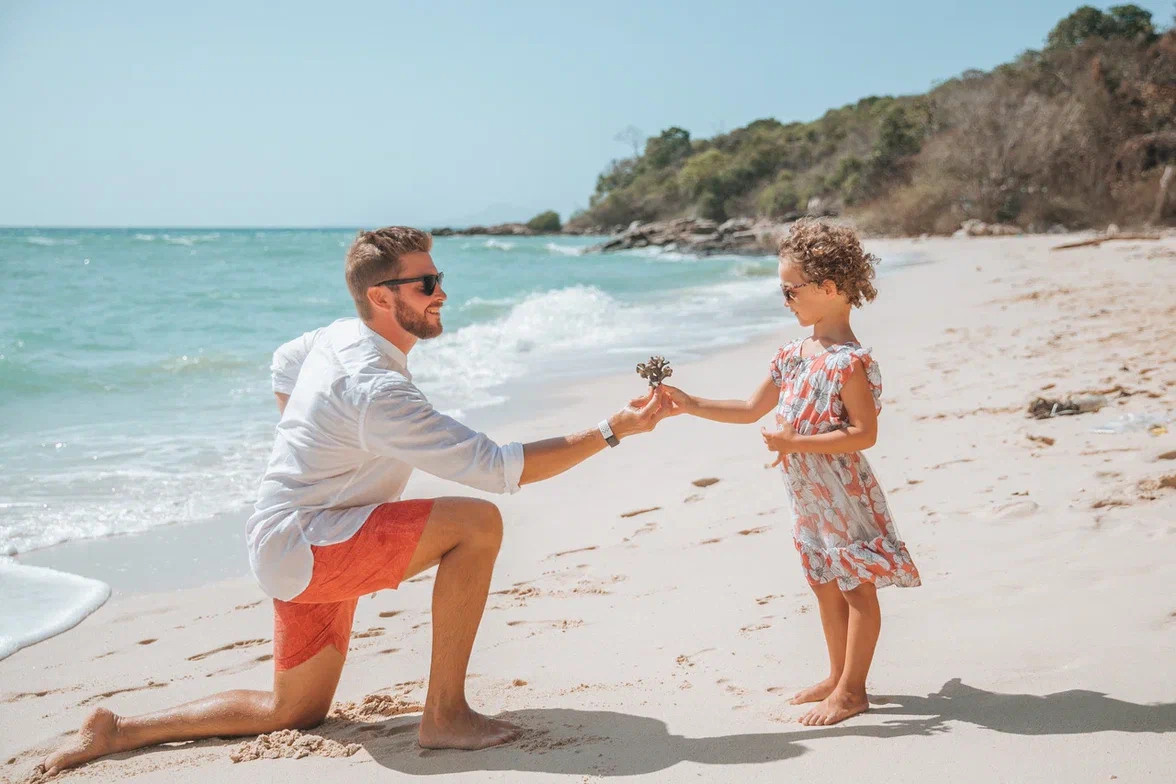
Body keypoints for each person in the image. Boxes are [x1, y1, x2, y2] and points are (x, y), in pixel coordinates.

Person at [38, 226, 672, 777]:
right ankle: (445, 715)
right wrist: (613, 430)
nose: (442, 292)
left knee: (294, 711)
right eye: (426, 283)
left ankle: (118, 730)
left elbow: (283, 365)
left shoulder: (340, 336)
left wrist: (312, 447)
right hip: (311, 546)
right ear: (381, 296)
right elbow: (495, 469)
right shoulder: (374, 390)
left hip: (292, 539)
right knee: (477, 523)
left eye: (439, 277)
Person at [660, 218, 920, 726]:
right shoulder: (793, 356)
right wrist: (688, 404)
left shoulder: (850, 363)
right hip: (809, 495)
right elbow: (748, 408)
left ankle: (853, 691)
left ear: (827, 288)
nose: (784, 299)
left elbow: (864, 434)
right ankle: (836, 672)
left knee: (856, 586)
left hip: (843, 492)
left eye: (789, 290)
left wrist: (793, 442)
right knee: (824, 581)